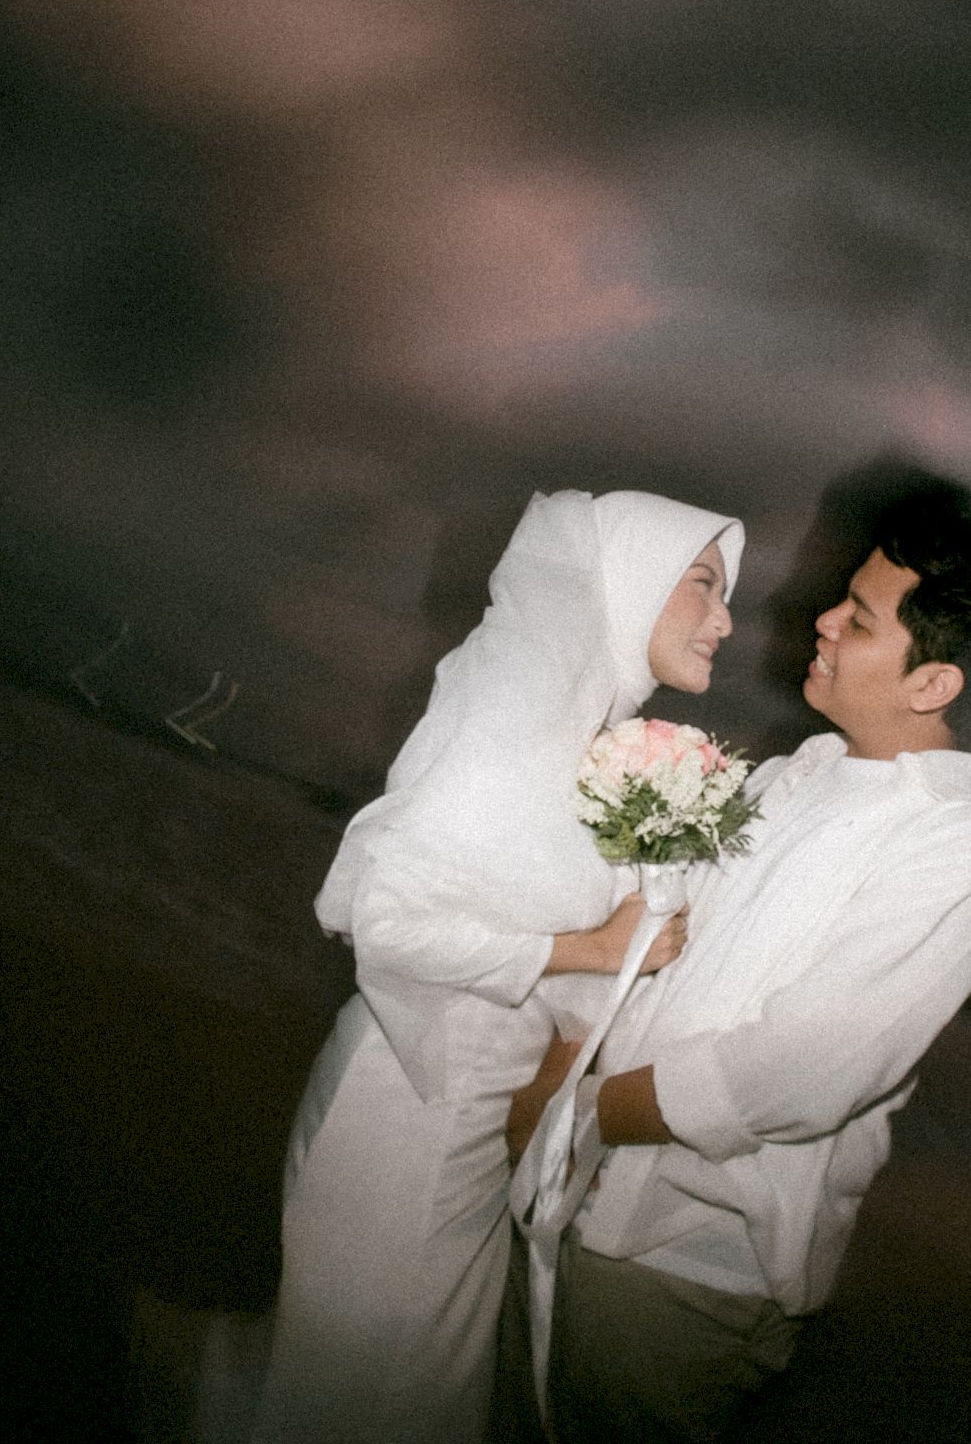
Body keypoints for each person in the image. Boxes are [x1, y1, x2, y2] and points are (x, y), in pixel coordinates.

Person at [506, 480, 971, 1444]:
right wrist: (559, 1060)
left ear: (932, 684)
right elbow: (657, 944)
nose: (823, 620)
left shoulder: (956, 848)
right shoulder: (797, 773)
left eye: (859, 620)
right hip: (580, 1197)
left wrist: (578, 1113)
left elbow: (802, 1071)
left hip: (686, 1266)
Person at [248, 488, 744, 1444]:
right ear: (631, 581)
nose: (724, 620)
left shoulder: (589, 735)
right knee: (371, 1403)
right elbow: (381, 915)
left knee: (407, 1399)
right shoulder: (515, 711)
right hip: (404, 1115)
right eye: (702, 584)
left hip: (472, 1126)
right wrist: (597, 950)